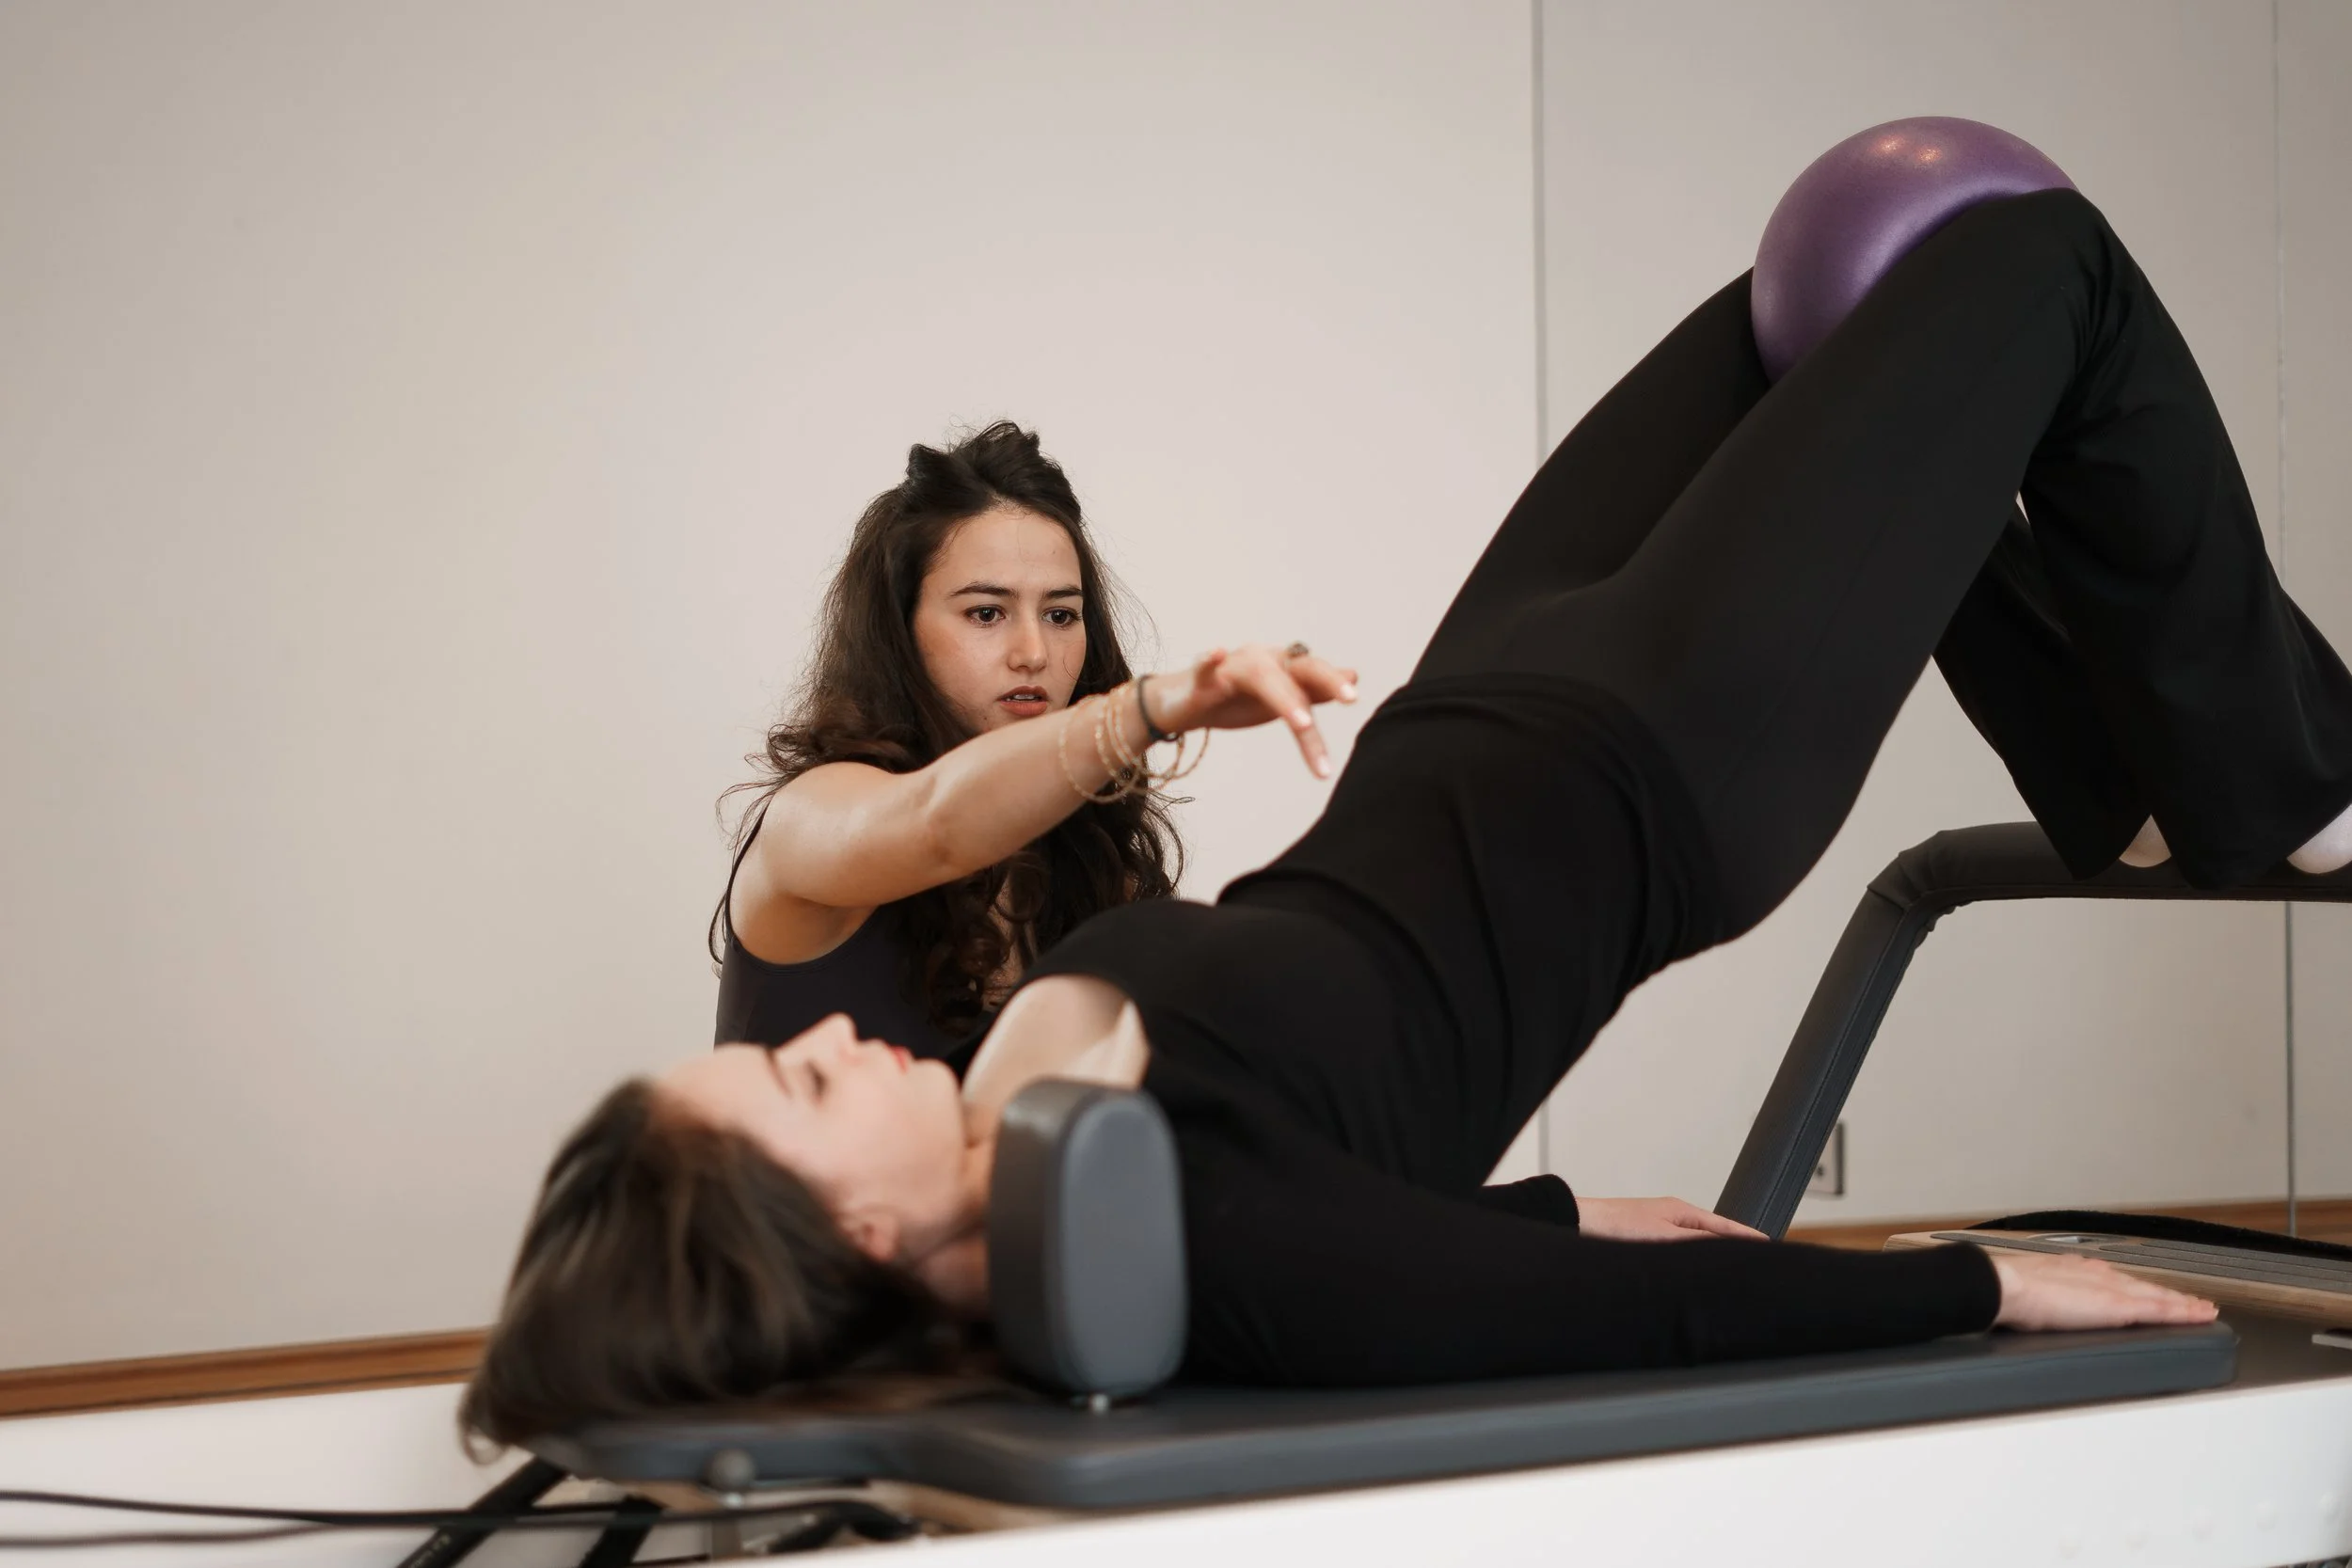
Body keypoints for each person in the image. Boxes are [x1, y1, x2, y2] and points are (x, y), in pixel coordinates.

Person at [465, 188, 2352, 1444]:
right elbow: (1577, 1318)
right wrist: (1978, 1280)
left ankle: (2122, 788)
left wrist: (1542, 1202)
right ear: (856, 1228)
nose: (833, 1041)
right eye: (797, 1088)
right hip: (1660, 757)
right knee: (2035, 259)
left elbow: (1379, 1154)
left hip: (1484, 684)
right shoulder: (1188, 1234)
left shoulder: (1036, 1133)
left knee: (1823, 292)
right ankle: (2279, 791)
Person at [712, 421, 1356, 1057]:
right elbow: (936, 823)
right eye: (986, 613)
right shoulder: (808, 816)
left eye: (1061, 614)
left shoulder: (1091, 867)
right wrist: (1155, 706)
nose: (1033, 652)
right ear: (898, 633)